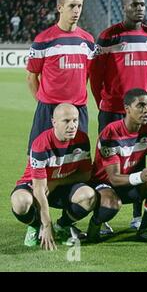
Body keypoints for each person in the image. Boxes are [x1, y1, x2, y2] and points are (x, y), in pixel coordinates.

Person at [90, 0, 147, 230]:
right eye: (134, 5)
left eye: (142, 4)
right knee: (106, 164)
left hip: (140, 109)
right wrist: (106, 102)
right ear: (124, 8)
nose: (139, 8)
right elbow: (95, 76)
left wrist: (145, 103)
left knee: (139, 159)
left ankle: (137, 216)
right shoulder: (109, 36)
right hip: (112, 110)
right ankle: (102, 213)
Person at [86, 89, 147, 244]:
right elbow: (113, 178)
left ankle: (145, 229)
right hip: (105, 185)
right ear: (127, 109)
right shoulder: (111, 132)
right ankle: (94, 226)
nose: (146, 110)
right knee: (111, 205)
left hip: (130, 184)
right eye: (140, 106)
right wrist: (140, 176)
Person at [10, 104, 96, 250]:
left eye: (75, 120)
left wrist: (57, 182)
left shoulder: (82, 139)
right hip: (36, 186)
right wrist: (46, 224)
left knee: (89, 196)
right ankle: (35, 226)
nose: (72, 125)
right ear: (54, 122)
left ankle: (61, 226)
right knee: (20, 201)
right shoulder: (40, 144)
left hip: (60, 186)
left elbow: (86, 174)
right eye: (66, 121)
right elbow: (38, 189)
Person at [25, 0, 95, 154]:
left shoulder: (88, 41)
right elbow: (31, 77)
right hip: (49, 109)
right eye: (71, 6)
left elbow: (86, 75)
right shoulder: (43, 40)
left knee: (77, 159)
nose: (76, 10)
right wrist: (44, 102)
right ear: (60, 8)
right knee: (41, 156)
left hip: (78, 108)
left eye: (79, 6)